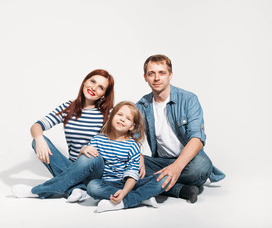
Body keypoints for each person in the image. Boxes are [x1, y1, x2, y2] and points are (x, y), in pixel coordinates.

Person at [11, 69, 114, 202]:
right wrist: (38, 138)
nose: (94, 88)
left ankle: (37, 191)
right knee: (36, 141)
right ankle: (77, 189)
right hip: (71, 165)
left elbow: (128, 136)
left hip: (94, 166)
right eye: (92, 81)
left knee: (89, 157)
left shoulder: (109, 113)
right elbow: (37, 126)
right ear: (84, 82)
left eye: (100, 87)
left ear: (103, 95)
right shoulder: (69, 107)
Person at [136, 54, 225, 203]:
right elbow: (132, 138)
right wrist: (137, 156)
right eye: (151, 74)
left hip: (189, 162)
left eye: (162, 73)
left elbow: (197, 139)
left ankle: (157, 183)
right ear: (145, 77)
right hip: (161, 162)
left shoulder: (189, 99)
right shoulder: (142, 105)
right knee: (125, 163)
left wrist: (177, 167)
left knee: (201, 167)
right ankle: (182, 190)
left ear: (170, 75)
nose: (156, 78)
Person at [86, 101, 170, 213]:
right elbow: (87, 161)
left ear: (132, 127)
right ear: (111, 117)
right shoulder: (97, 140)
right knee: (92, 187)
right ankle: (141, 197)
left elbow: (133, 173)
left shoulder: (132, 146)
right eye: (119, 115)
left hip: (130, 183)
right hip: (107, 183)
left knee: (165, 178)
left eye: (128, 118)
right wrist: (83, 149)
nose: (122, 119)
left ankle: (125, 201)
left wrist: (125, 191)